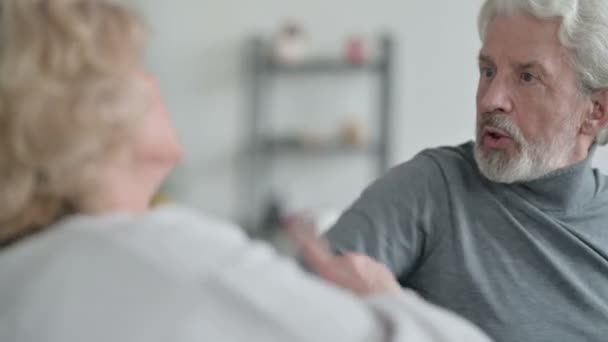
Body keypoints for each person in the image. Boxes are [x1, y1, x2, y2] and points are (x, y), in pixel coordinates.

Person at [0, 0, 492, 341]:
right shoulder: (161, 254)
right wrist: (381, 296)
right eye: (133, 67)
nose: (152, 81)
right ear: (81, 110)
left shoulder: (23, 271)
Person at [314, 0, 608, 341]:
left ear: (596, 112)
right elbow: (297, 311)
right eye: (487, 71)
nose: (491, 100)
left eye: (527, 77)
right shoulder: (431, 188)